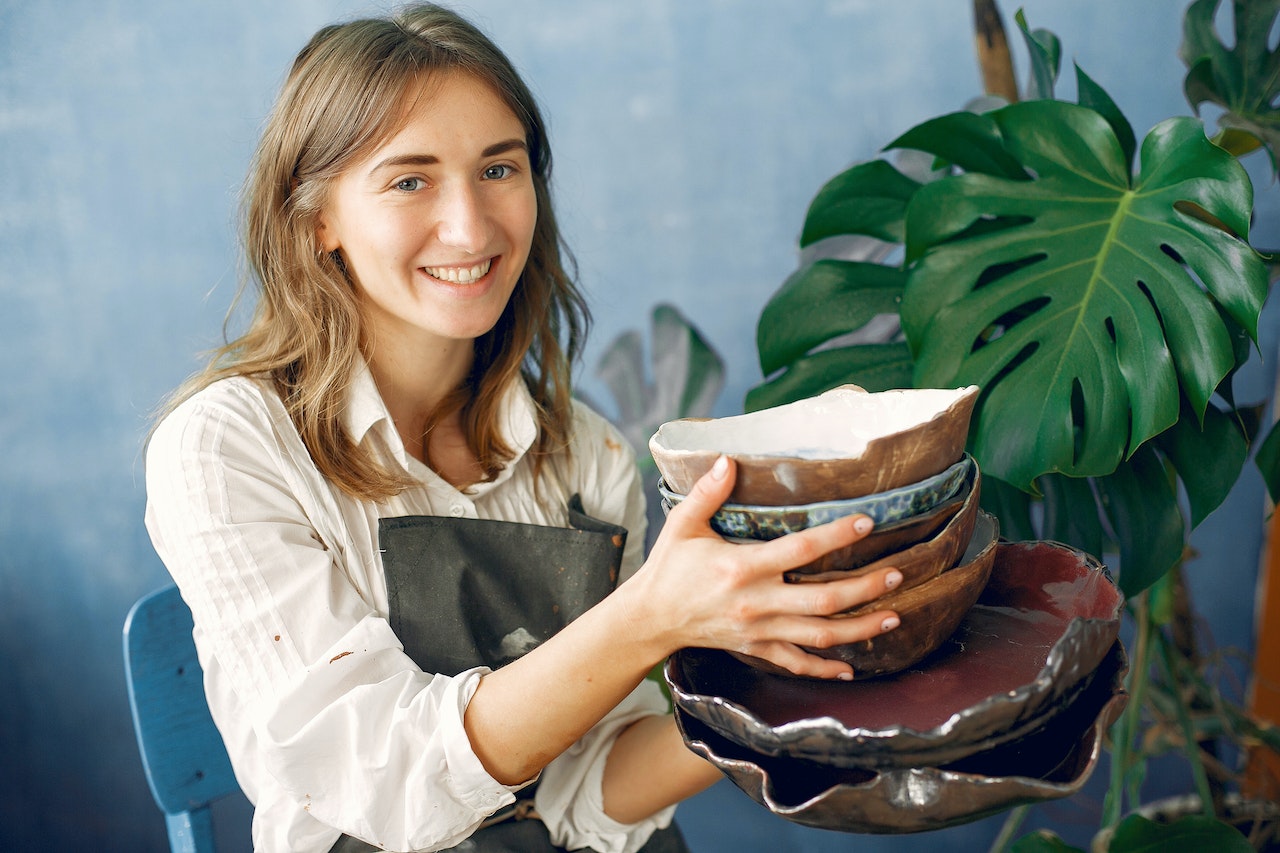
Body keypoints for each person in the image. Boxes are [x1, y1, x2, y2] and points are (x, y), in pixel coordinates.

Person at [143, 4, 904, 852]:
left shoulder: (587, 454)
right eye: (410, 179)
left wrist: (801, 694)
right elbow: (390, 782)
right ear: (317, 218)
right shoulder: (227, 449)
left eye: (499, 169)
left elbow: (585, 792)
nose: (470, 226)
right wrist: (653, 619)